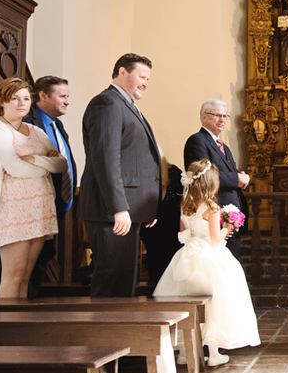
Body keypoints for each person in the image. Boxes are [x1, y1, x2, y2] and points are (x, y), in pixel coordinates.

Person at [154, 159, 260, 366]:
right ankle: (213, 354)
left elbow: (183, 233)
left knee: (185, 301)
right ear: (211, 183)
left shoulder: (185, 206)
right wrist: (228, 226)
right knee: (214, 305)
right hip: (209, 260)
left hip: (186, 258)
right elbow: (214, 239)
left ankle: (184, 352)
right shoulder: (211, 207)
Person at [78, 53, 161, 297]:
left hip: (126, 208)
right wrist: (119, 208)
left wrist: (144, 207)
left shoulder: (126, 105)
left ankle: (116, 332)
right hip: (111, 211)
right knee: (112, 279)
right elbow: (106, 159)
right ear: (122, 72)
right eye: (141, 76)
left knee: (124, 279)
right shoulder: (107, 103)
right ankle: (103, 333)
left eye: (148, 78)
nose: (145, 83)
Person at [0, 77, 68, 298]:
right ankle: (6, 329)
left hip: (40, 208)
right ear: (0, 101)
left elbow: (61, 164)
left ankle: (20, 325)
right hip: (13, 210)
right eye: (14, 98)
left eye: (26, 98)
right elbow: (14, 167)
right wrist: (43, 162)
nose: (21, 103)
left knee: (27, 274)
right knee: (14, 273)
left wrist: (33, 159)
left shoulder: (35, 130)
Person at [22, 75, 76, 297]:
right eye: (62, 96)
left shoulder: (57, 124)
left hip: (56, 204)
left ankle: (28, 304)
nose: (67, 101)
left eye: (68, 96)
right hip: (30, 205)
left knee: (44, 255)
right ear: (43, 95)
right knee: (24, 266)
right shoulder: (27, 121)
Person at [184, 99, 249, 260]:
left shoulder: (223, 146)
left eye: (225, 116)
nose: (222, 120)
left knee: (230, 262)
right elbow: (204, 176)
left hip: (229, 215)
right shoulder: (197, 141)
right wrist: (237, 178)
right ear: (204, 117)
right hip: (212, 213)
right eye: (217, 115)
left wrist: (239, 177)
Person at [140, 153, 183, 283]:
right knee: (155, 261)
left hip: (172, 225)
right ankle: (154, 292)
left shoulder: (174, 172)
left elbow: (182, 198)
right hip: (151, 226)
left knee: (172, 262)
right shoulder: (143, 174)